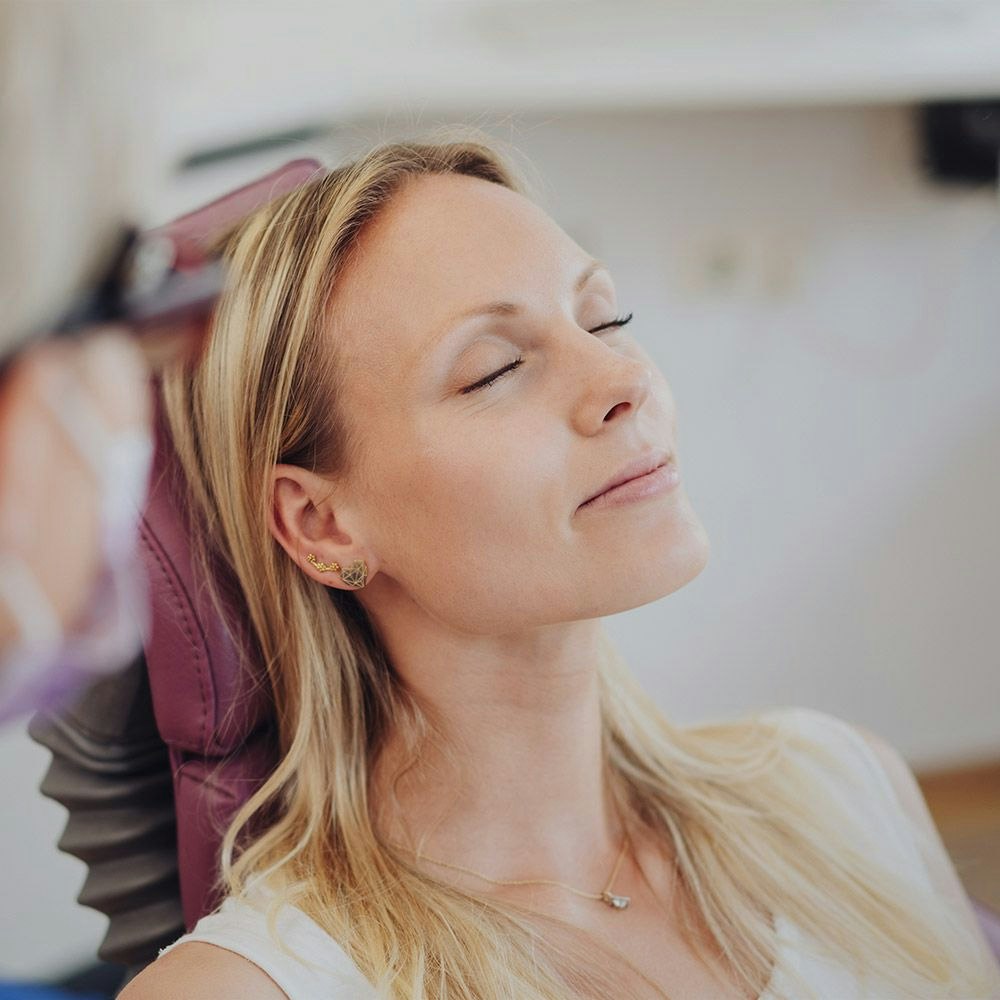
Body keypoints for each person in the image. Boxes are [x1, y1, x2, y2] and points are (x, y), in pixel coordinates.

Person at [120, 131, 1000, 1000]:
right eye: (494, 370)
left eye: (605, 317)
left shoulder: (843, 784)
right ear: (323, 524)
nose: (621, 375)